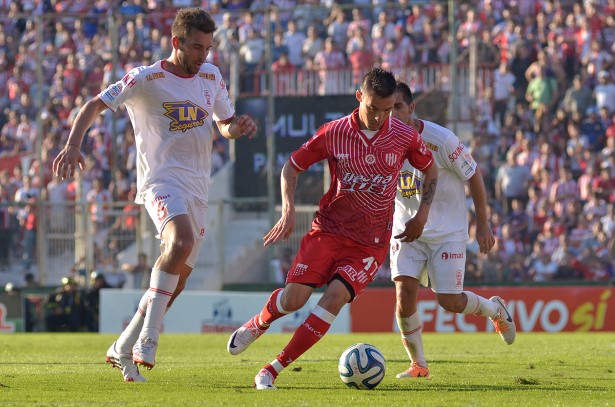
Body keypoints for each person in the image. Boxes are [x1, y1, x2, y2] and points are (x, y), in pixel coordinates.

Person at [52, 7, 257, 383]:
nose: (203, 55)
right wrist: (73, 144)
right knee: (178, 241)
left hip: (198, 187)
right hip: (161, 182)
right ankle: (149, 338)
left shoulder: (211, 75)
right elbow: (95, 104)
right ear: (176, 42)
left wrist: (237, 127)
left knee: (174, 286)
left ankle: (122, 347)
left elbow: (224, 125)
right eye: (196, 47)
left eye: (208, 48)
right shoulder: (147, 78)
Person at [226, 68, 438, 390]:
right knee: (294, 299)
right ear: (359, 97)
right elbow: (291, 167)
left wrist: (422, 214)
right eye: (373, 108)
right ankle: (259, 323)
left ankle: (271, 369)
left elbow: (431, 169)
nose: (381, 117)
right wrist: (288, 210)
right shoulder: (334, 132)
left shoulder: (404, 136)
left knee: (334, 298)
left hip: (369, 243)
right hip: (328, 230)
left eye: (387, 109)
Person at [389, 82, 516, 379]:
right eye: (386, 108)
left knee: (450, 302)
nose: (391, 115)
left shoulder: (441, 139)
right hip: (407, 230)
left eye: (397, 107)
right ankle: (418, 364)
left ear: (411, 108)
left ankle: (494, 310)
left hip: (447, 233)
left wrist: (482, 223)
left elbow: (473, 175)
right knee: (404, 295)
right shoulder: (381, 140)